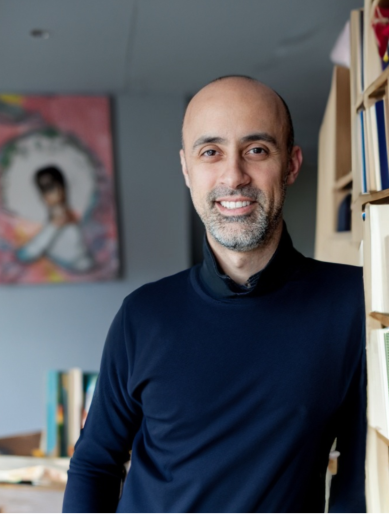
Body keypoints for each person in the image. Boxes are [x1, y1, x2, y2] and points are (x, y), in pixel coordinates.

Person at [63, 76, 366, 513]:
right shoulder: (143, 315)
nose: (234, 175)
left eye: (257, 150)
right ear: (188, 170)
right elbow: (95, 463)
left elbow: (360, 474)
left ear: (292, 165)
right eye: (211, 152)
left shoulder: (351, 303)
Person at [16, 165, 94, 272]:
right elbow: (24, 255)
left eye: (50, 187)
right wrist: (53, 226)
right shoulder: (51, 224)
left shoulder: (79, 218)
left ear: (62, 187)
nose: (46, 194)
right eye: (42, 189)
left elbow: (82, 259)